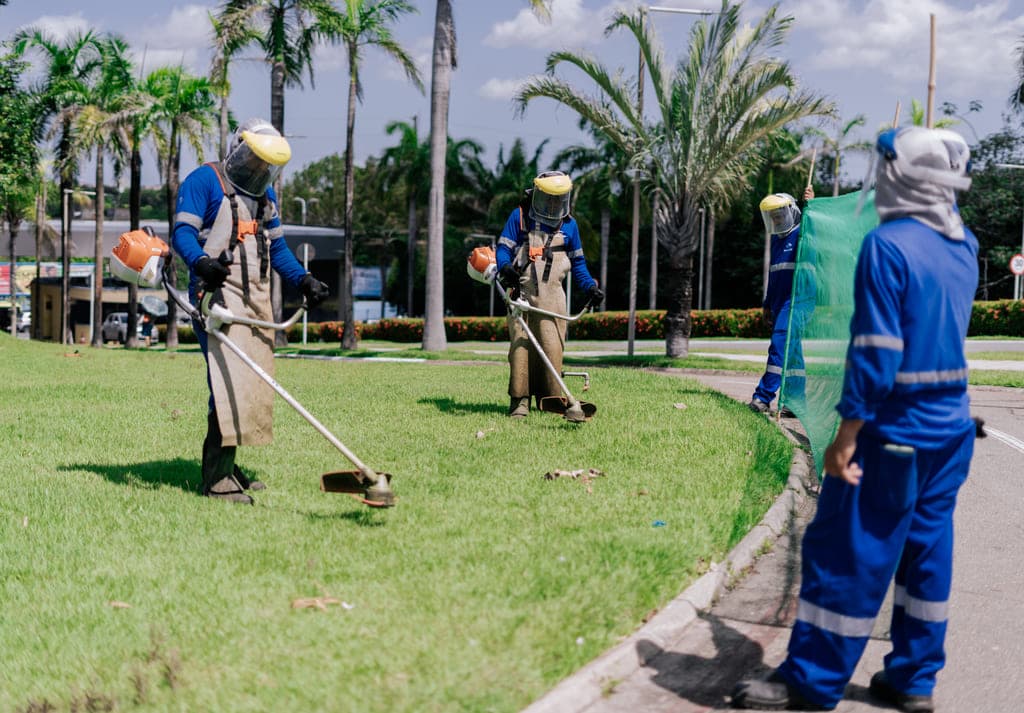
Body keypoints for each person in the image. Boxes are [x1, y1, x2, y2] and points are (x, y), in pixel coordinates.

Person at [731, 126, 978, 712]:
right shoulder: (962, 243)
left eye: (887, 166)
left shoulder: (888, 246)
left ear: (903, 178)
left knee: (845, 549)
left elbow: (876, 352)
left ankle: (809, 683)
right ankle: (913, 681)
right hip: (951, 432)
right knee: (925, 553)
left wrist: (846, 436)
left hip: (891, 432)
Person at [172, 118, 329, 504]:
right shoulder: (204, 181)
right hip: (214, 297)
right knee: (227, 384)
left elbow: (277, 250)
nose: (259, 170)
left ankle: (228, 467)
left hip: (253, 299)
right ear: (237, 149)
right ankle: (217, 480)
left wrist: (304, 280)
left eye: (267, 164)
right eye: (253, 160)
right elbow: (182, 235)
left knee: (248, 382)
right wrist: (200, 261)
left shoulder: (265, 197)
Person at [495, 170, 603, 420]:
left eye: (559, 199)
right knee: (521, 347)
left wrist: (590, 287)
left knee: (553, 347)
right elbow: (503, 249)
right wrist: (505, 268)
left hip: (554, 298)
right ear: (537, 195)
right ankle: (519, 401)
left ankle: (551, 399)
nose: (554, 205)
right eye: (549, 199)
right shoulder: (520, 217)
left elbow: (578, 266)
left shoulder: (570, 225)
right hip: (521, 293)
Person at [748, 185, 815, 416]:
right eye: (773, 216)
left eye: (780, 215)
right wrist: (767, 304)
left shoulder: (803, 233)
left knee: (779, 345)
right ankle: (795, 404)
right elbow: (774, 275)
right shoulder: (778, 239)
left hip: (798, 301)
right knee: (792, 353)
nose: (776, 220)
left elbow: (815, 228)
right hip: (778, 303)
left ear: (793, 212)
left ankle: (763, 397)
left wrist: (811, 206)